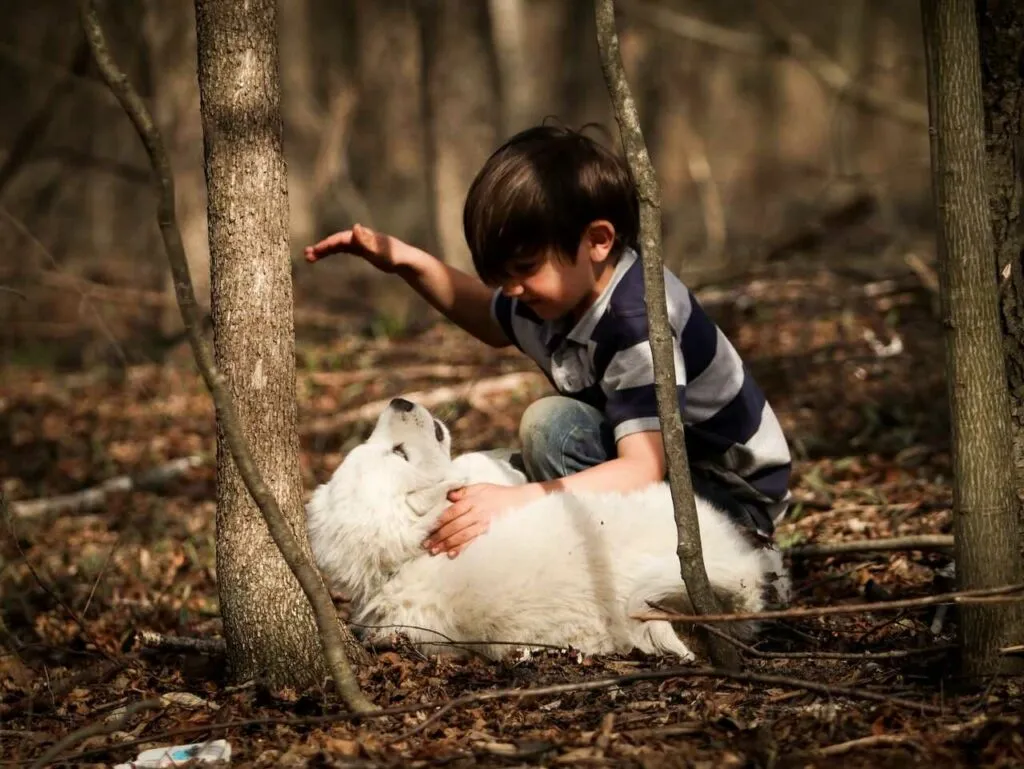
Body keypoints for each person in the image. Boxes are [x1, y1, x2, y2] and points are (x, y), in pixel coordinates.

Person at [305, 123, 792, 559]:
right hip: (668, 474)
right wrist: (408, 263)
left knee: (549, 429)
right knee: (527, 448)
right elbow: (488, 317)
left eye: (523, 270)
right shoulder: (563, 295)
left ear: (598, 240)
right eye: (501, 276)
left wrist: (518, 501)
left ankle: (677, 566)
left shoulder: (635, 323)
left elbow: (641, 469)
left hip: (728, 503)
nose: (512, 290)